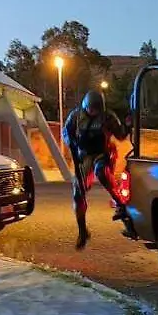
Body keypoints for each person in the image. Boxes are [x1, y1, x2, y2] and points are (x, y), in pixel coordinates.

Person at [62, 89, 131, 250]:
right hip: (84, 156)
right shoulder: (76, 116)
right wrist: (69, 141)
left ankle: (120, 203)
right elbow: (66, 132)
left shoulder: (107, 117)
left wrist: (127, 126)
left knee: (102, 173)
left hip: (103, 153)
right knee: (78, 194)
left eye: (96, 109)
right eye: (90, 108)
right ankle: (82, 231)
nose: (93, 112)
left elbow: (120, 135)